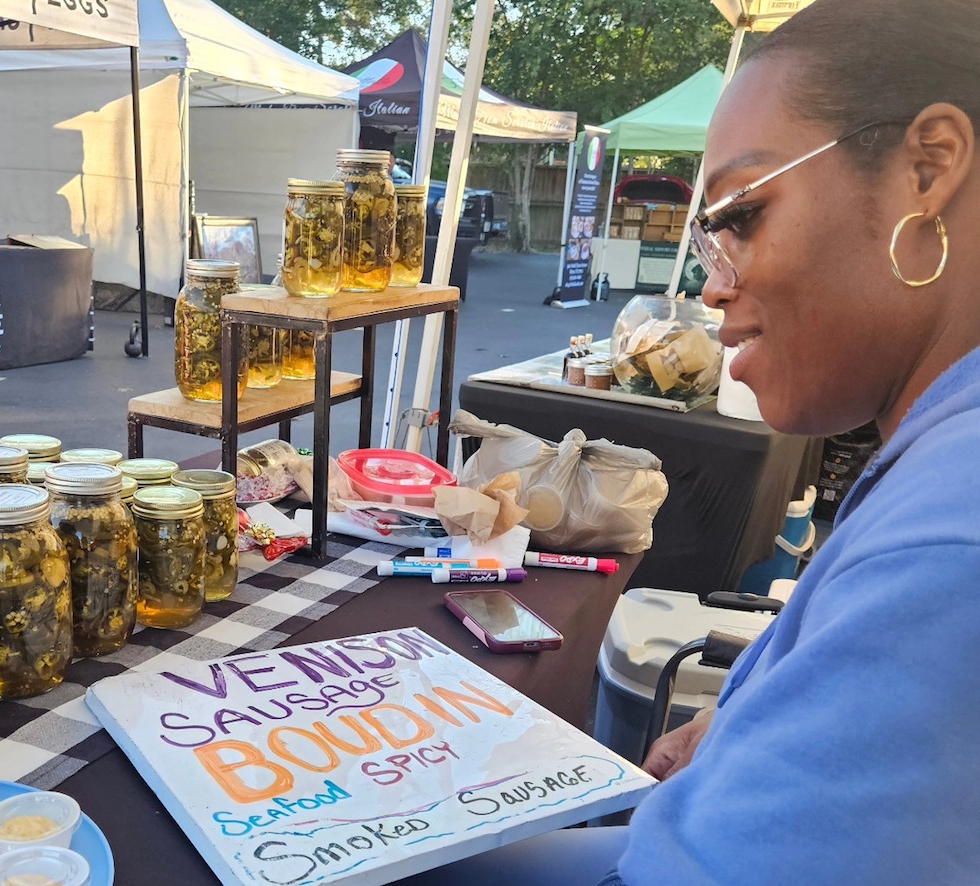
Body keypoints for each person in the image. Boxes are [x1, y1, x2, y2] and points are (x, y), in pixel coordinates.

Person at [400, 0, 980, 882]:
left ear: (928, 169)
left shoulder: (950, 548)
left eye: (741, 216)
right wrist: (757, 710)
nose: (713, 290)